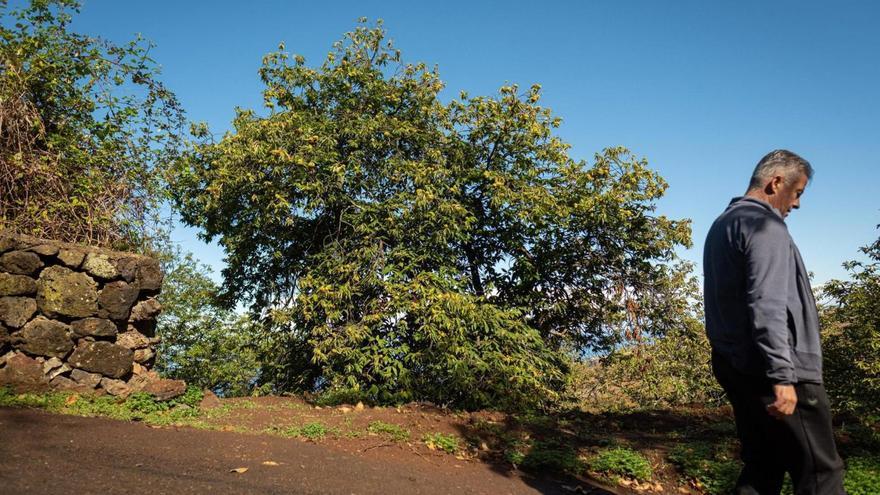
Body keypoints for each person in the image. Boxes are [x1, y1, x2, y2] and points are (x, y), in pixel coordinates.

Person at [703, 150, 845, 494]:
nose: (796, 204)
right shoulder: (765, 225)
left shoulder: (724, 224)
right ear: (776, 182)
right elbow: (767, 303)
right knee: (820, 472)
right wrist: (783, 376)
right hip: (781, 373)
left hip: (738, 366)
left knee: (764, 464)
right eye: (797, 193)